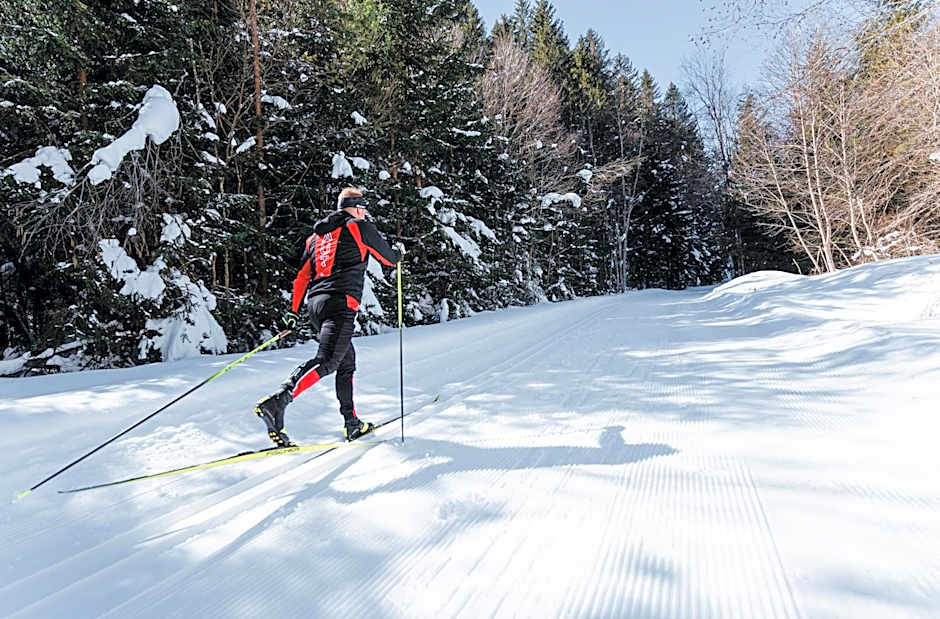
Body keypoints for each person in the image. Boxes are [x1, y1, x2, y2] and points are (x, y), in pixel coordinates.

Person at [254, 187, 403, 447]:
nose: (365, 212)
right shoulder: (359, 226)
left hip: (316, 306)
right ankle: (278, 401)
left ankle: (352, 423)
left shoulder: (315, 238)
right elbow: (388, 259)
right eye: (363, 208)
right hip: (340, 303)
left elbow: (302, 277)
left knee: (346, 363)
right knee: (328, 361)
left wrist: (293, 313)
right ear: (356, 207)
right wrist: (399, 254)